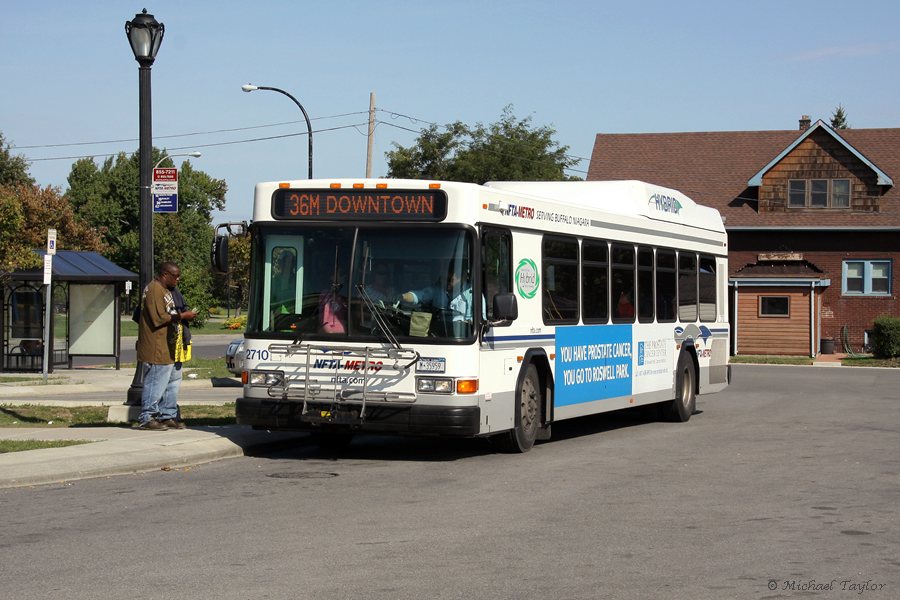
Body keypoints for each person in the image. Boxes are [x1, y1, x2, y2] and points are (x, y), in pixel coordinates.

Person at [135, 262, 197, 430]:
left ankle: (167, 415)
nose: (178, 279)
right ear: (164, 275)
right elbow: (158, 318)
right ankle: (147, 416)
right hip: (157, 346)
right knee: (156, 381)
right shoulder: (154, 289)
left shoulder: (167, 291)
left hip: (170, 346)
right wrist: (183, 315)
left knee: (173, 381)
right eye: (175, 276)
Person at [402, 270, 474, 336]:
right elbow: (419, 295)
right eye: (445, 279)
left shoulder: (473, 294)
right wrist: (402, 297)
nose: (447, 283)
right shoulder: (437, 290)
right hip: (437, 336)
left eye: (450, 280)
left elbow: (480, 324)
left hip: (461, 338)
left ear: (462, 278)